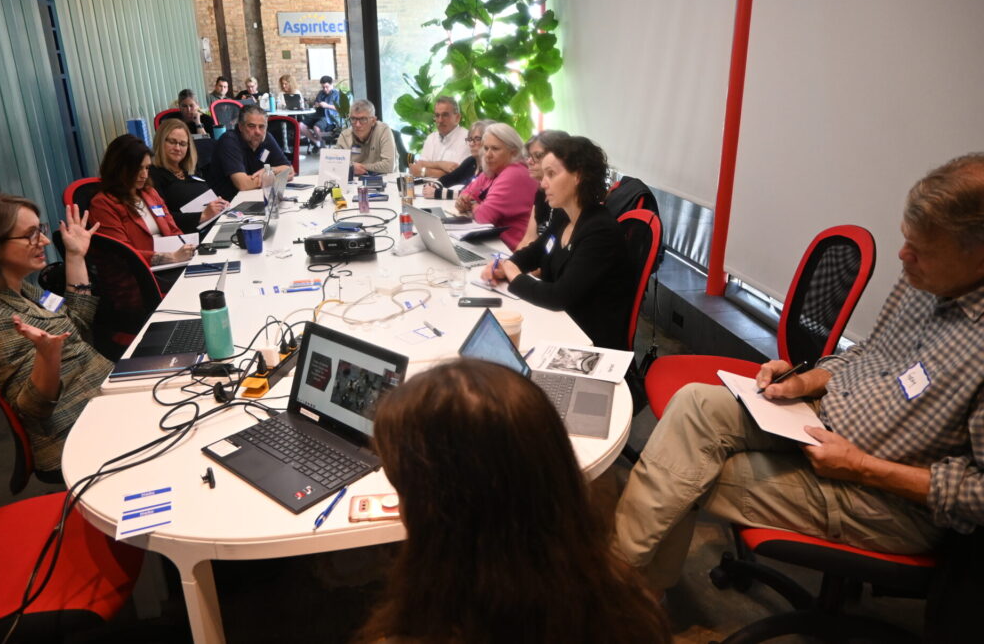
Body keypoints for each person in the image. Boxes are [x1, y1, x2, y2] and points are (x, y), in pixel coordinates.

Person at [613, 153, 984, 598]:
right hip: (821, 423)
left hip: (883, 499)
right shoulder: (924, 282)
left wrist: (863, 468)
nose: (903, 257)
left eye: (922, 250)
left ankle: (618, 593)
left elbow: (978, 494)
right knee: (694, 404)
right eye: (906, 240)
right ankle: (630, 590)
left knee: (687, 469)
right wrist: (805, 381)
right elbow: (869, 354)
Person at [356, 359, 670, 644]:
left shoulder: (423, 629)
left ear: (442, 517)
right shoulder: (630, 606)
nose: (400, 508)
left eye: (405, 490)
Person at [0, 195, 111, 474]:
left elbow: (74, 323)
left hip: (99, 401)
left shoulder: (18, 288)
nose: (43, 241)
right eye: (30, 235)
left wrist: (75, 256)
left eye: (39, 230)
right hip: (75, 432)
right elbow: (34, 408)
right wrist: (48, 356)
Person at [482, 135, 633, 348]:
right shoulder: (564, 216)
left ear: (578, 176)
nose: (543, 184)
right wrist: (509, 264)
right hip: (561, 326)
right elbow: (536, 251)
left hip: (588, 344)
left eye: (551, 174)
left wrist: (512, 274)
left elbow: (558, 296)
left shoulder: (600, 231)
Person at [89, 134, 196, 267]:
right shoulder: (103, 204)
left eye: (147, 168)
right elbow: (123, 254)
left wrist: (187, 248)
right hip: (139, 277)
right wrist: (172, 257)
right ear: (118, 167)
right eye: (138, 168)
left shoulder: (149, 193)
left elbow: (173, 230)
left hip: (171, 265)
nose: (144, 175)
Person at [453, 122, 536, 250]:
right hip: (491, 242)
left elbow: (483, 218)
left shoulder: (515, 173)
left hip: (510, 250)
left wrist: (472, 204)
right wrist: (463, 200)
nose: (488, 155)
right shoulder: (494, 168)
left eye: (495, 149)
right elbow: (466, 192)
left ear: (513, 152)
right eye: (486, 148)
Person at [150, 119, 230, 233]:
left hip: (215, 224)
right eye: (172, 142)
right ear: (160, 142)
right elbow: (161, 218)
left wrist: (219, 204)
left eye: (183, 144)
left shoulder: (189, 170)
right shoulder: (153, 175)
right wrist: (203, 215)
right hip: (191, 237)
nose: (177, 148)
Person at [208, 104, 292, 200]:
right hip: (228, 203)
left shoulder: (267, 138)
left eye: (262, 126)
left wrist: (270, 171)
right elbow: (243, 184)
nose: (257, 132)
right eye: (251, 126)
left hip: (255, 197)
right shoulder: (229, 141)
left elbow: (290, 171)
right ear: (240, 127)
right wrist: (277, 177)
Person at [516, 129, 570, 250]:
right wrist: (509, 264)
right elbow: (529, 238)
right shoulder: (541, 192)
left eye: (538, 156)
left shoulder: (566, 199)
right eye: (529, 156)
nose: (529, 162)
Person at [422, 118, 494, 198]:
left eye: (477, 139)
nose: (471, 143)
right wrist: (433, 186)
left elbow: (472, 195)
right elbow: (449, 178)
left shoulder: (492, 168)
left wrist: (437, 193)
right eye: (470, 139)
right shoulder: (471, 161)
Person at [408, 95, 471, 179]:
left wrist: (424, 171)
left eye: (445, 115)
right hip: (426, 188)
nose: (440, 120)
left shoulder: (467, 139)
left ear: (457, 118)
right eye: (437, 115)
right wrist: (442, 164)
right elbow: (420, 164)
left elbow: (457, 174)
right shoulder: (431, 138)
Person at [333, 99, 395, 175]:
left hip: (386, 180)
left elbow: (388, 166)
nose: (357, 124)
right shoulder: (345, 136)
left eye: (363, 119)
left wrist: (354, 168)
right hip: (354, 182)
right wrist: (352, 168)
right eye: (353, 119)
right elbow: (333, 163)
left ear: (373, 121)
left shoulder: (383, 130)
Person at [300, 75, 340, 148]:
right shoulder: (321, 93)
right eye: (323, 87)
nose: (325, 89)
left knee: (316, 127)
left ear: (332, 84)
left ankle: (322, 146)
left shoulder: (337, 94)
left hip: (328, 117)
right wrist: (316, 104)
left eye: (326, 87)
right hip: (317, 114)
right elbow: (316, 103)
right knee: (300, 125)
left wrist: (327, 105)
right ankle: (317, 142)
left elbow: (340, 109)